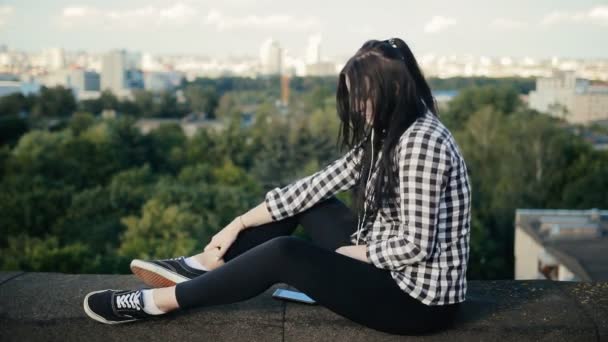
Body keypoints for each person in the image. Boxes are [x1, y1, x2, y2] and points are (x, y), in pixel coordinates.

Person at [83, 37, 472, 336]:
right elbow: (315, 186)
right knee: (306, 203)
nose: (357, 106)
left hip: (416, 301)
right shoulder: (387, 132)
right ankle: (203, 266)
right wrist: (237, 223)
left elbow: (418, 244)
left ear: (394, 90)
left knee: (284, 253)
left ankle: (158, 302)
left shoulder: (422, 142)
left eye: (364, 95)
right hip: (386, 267)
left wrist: (358, 253)